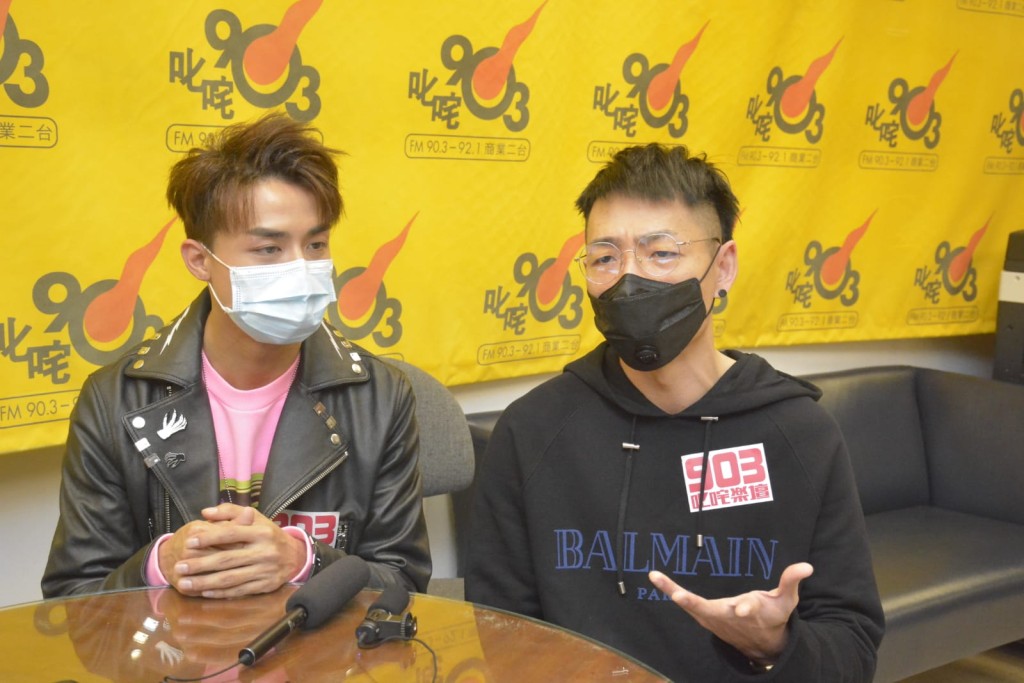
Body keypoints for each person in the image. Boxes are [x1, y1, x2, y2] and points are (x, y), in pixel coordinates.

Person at [465, 143, 884, 681]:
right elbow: (502, 635)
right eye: (604, 258)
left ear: (723, 266)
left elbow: (852, 648)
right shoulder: (532, 431)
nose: (629, 279)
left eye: (661, 253)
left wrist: (775, 646)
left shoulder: (800, 434)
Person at [42, 112, 430, 599]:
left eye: (316, 244)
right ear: (199, 260)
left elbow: (404, 583)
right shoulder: (115, 400)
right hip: (173, 648)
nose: (301, 268)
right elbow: (74, 597)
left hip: (317, 647)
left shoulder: (380, 397)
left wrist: (304, 560)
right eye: (269, 249)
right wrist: (160, 564)